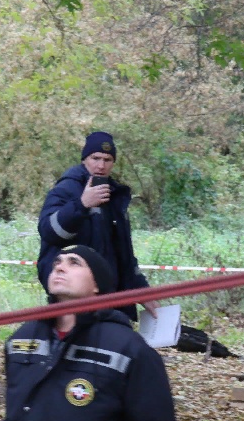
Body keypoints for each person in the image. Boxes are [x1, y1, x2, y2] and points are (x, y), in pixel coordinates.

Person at [0, 245, 176, 421]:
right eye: (57, 261)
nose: (60, 266)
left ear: (97, 285)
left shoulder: (127, 347)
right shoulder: (22, 338)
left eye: (74, 262)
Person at [37, 132, 160, 319]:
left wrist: (143, 292)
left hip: (112, 300)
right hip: (73, 299)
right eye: (95, 158)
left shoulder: (115, 196)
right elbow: (48, 231)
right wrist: (82, 205)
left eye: (107, 159)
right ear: (84, 159)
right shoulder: (67, 188)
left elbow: (124, 255)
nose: (101, 165)